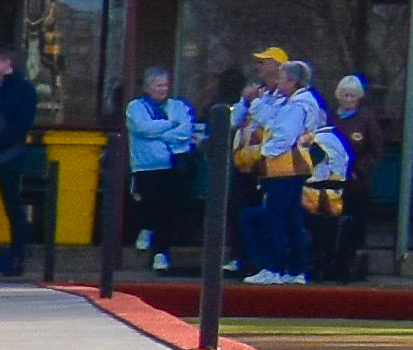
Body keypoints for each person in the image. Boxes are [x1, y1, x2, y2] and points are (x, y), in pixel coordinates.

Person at [225, 45, 317, 280]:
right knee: (290, 219)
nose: (279, 82)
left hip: (285, 168)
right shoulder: (281, 99)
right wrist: (252, 103)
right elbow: (263, 121)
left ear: (291, 80)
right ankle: (295, 270)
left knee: (274, 217)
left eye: (284, 78)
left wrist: (261, 152)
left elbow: (283, 135)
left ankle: (272, 268)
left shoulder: (298, 104)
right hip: (278, 169)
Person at [0, 42, 51, 277]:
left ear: (7, 64)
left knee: (13, 207)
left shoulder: (24, 91)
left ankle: (16, 258)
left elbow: (21, 125)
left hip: (8, 158)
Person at [117, 57, 205, 275]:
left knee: (169, 209)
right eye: (158, 85)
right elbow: (142, 128)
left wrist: (163, 131)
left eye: (165, 85)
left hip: (174, 166)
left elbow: (185, 130)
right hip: (146, 166)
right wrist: (170, 126)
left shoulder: (178, 106)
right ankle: (146, 229)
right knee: (151, 203)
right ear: (147, 87)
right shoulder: (135, 107)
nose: (162, 90)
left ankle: (161, 253)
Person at [321, 69, 378, 278]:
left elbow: (374, 150)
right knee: (329, 222)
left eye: (353, 96)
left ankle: (346, 264)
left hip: (355, 183)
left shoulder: (366, 120)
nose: (349, 99)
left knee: (353, 224)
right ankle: (327, 261)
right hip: (330, 180)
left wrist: (358, 171)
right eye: (345, 95)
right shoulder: (330, 118)